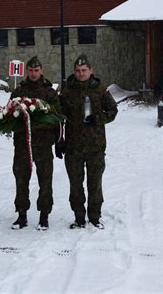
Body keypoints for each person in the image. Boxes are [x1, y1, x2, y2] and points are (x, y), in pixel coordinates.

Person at [58, 54, 118, 229]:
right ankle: (78, 217)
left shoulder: (99, 89)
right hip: (73, 146)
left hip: (95, 146)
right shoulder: (67, 90)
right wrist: (59, 140)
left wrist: (98, 119)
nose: (81, 73)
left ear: (90, 70)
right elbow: (59, 117)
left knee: (95, 184)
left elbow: (113, 111)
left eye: (84, 70)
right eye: (77, 71)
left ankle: (94, 216)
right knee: (75, 185)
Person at [10, 56, 61, 231]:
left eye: (36, 70)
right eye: (30, 70)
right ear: (27, 72)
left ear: (41, 71)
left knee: (45, 180)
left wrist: (59, 140)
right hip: (23, 144)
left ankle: (44, 216)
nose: (33, 73)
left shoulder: (49, 92)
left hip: (44, 144)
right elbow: (11, 114)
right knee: (21, 180)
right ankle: (22, 215)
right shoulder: (19, 92)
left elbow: (58, 118)